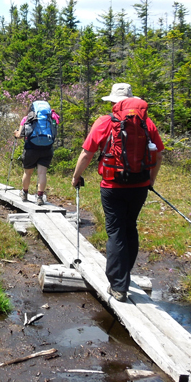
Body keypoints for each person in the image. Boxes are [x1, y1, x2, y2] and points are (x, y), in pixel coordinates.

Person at [71, 83, 164, 302]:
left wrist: (76, 177)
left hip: (112, 187)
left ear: (113, 102)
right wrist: (150, 180)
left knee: (116, 232)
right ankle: (125, 276)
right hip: (140, 186)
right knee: (130, 227)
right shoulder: (146, 123)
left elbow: (87, 154)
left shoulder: (104, 122)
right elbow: (159, 155)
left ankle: (118, 286)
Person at [13, 101, 60, 205]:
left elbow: (20, 135)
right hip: (47, 148)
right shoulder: (50, 118)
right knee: (42, 173)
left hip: (31, 148)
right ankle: (39, 197)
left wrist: (16, 133)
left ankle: (24, 193)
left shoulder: (27, 118)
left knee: (27, 172)